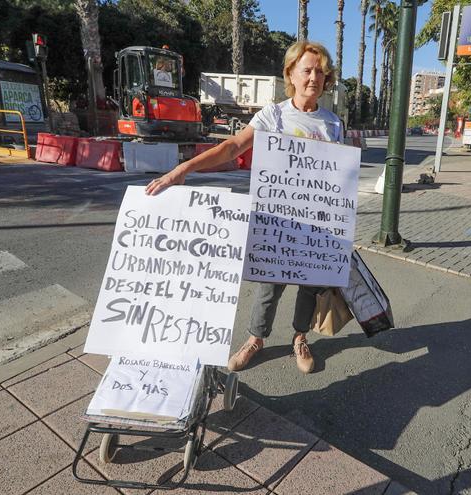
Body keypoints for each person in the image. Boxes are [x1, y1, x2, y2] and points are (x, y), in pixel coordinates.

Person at [145, 41, 344, 374]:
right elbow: (233, 146)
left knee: (309, 286)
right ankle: (256, 338)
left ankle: (299, 337)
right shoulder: (274, 115)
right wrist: (183, 170)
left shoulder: (332, 125)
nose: (314, 77)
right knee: (268, 286)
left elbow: (339, 178)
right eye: (307, 70)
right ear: (291, 74)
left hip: (315, 225)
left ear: (327, 78)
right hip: (275, 220)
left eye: (320, 72)